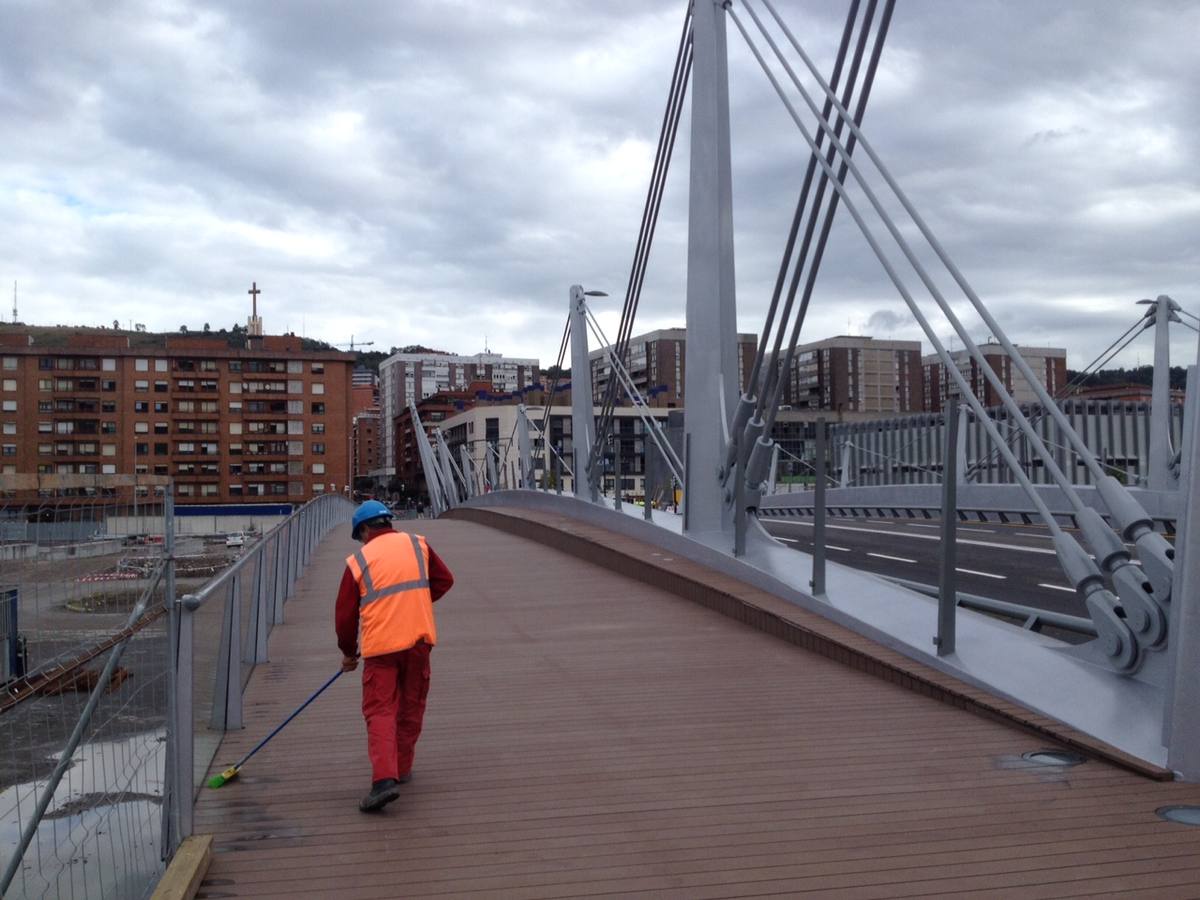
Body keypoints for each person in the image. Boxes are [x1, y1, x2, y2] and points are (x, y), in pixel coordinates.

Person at [335, 499, 454, 812]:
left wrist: (348, 653)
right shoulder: (417, 544)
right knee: (411, 705)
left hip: (382, 648)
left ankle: (383, 781)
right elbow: (444, 580)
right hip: (418, 641)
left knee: (381, 711)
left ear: (363, 530)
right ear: (388, 522)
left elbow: (345, 617)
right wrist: (412, 602)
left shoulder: (358, 561)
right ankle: (401, 768)